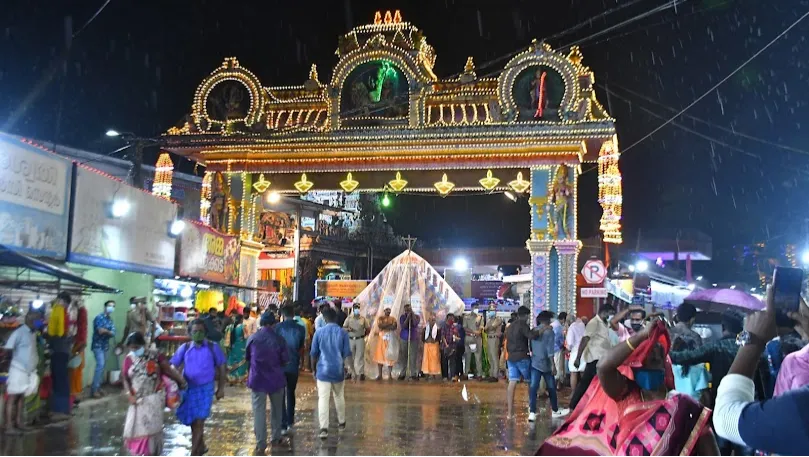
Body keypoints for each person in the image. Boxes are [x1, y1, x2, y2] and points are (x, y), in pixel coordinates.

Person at [537, 319, 720, 456]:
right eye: (647, 357)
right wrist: (640, 337)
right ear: (635, 363)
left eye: (658, 357)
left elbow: (709, 449)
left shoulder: (685, 407)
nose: (654, 360)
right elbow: (603, 367)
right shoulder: (626, 393)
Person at [713, 286, 809, 455]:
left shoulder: (801, 408)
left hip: (755, 419)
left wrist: (752, 339)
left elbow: (725, 417)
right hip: (760, 411)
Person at [121, 332, 185, 456]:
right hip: (137, 401)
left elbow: (168, 370)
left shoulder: (155, 356)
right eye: (132, 348)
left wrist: (181, 382)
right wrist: (129, 393)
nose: (134, 350)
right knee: (136, 430)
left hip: (154, 399)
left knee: (151, 431)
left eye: (136, 347)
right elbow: (125, 377)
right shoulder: (129, 359)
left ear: (143, 345)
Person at [171, 320, 226, 456]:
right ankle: (200, 446)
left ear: (206, 333)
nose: (198, 334)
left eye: (201, 331)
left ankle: (193, 453)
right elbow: (172, 366)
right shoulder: (184, 348)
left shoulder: (213, 347)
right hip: (188, 388)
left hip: (206, 389)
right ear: (189, 333)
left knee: (200, 421)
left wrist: (221, 388)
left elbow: (222, 368)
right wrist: (178, 379)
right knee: (193, 421)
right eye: (195, 331)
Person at [670, 310, 745, 405]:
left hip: (721, 399)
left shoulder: (716, 346)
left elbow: (687, 357)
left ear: (723, 327)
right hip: (747, 399)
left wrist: (661, 351)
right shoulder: (750, 349)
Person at [246, 312, 289, 454]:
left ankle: (261, 443)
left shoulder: (252, 338)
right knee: (277, 411)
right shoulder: (280, 339)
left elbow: (247, 358)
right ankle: (276, 438)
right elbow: (285, 360)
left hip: (257, 380)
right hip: (276, 379)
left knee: (259, 411)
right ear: (274, 324)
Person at [310, 307, 351, 440]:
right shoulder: (343, 333)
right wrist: (349, 368)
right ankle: (341, 422)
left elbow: (313, 354)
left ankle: (324, 428)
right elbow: (347, 353)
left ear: (325, 319)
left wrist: (313, 370)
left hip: (323, 370)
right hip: (338, 370)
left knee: (323, 398)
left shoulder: (319, 333)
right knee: (339, 396)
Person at [569, 304, 615, 411]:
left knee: (589, 383)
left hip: (603, 358)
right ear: (604, 312)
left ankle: (580, 405)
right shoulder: (594, 323)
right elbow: (585, 340)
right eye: (610, 314)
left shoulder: (605, 323)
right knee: (586, 383)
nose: (611, 316)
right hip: (595, 359)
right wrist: (578, 358)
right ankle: (574, 405)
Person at [4, 310, 43, 434]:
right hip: (18, 369)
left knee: (21, 397)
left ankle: (19, 423)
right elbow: (8, 349)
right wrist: (10, 364)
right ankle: (8, 426)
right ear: (29, 318)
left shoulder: (33, 333)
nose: (39, 321)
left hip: (27, 371)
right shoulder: (19, 332)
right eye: (38, 319)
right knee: (12, 398)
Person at [506, 306, 548, 419]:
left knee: (512, 382)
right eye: (528, 316)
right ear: (525, 316)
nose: (529, 318)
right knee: (531, 383)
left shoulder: (510, 327)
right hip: (522, 357)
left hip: (511, 358)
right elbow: (531, 336)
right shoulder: (522, 325)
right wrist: (542, 330)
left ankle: (510, 413)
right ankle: (532, 410)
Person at [529, 311, 570, 422]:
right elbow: (549, 350)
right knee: (551, 388)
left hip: (535, 363)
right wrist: (553, 366)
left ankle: (532, 412)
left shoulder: (534, 331)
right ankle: (555, 410)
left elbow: (531, 347)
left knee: (533, 388)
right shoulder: (549, 332)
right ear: (547, 320)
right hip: (546, 364)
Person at [275, 306, 306, 436]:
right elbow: (300, 346)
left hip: (280, 366)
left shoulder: (278, 328)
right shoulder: (300, 328)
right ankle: (290, 421)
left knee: (281, 394)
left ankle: (282, 423)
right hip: (293, 364)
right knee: (291, 393)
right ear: (293, 314)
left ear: (282, 314)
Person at [669, 303, 709, 401]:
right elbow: (700, 359)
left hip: (671, 380)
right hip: (692, 383)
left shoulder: (668, 332)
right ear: (692, 319)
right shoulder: (695, 337)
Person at [46, 291, 74, 420]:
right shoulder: (63, 312)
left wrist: (50, 337)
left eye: (60, 300)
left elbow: (59, 332)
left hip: (59, 350)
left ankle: (60, 410)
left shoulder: (59, 310)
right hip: (62, 350)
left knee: (59, 379)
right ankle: (63, 409)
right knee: (61, 379)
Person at [91, 301, 117, 398]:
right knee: (100, 365)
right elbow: (100, 331)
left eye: (113, 306)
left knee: (102, 367)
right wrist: (108, 331)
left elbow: (113, 332)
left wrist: (106, 331)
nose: (111, 307)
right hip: (97, 346)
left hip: (105, 346)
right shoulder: (99, 317)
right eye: (110, 305)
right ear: (105, 306)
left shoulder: (110, 320)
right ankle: (94, 390)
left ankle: (98, 387)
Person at [343, 304, 370, 381]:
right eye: (355, 308)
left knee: (360, 356)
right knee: (350, 356)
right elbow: (344, 328)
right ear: (353, 309)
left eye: (358, 308)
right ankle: (351, 372)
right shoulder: (349, 318)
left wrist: (363, 335)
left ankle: (360, 373)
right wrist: (348, 329)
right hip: (351, 339)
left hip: (360, 339)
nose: (356, 310)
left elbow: (368, 328)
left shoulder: (363, 319)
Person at [69, 300, 88, 406]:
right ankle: (74, 396)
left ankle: (74, 397)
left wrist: (77, 351)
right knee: (75, 373)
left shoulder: (81, 317)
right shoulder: (79, 318)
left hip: (78, 346)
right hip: (78, 346)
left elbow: (82, 334)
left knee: (74, 373)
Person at [373, 308, 398, 380]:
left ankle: (390, 375)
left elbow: (394, 327)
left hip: (390, 339)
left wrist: (386, 326)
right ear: (384, 311)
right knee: (380, 356)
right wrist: (389, 325)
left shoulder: (393, 318)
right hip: (382, 339)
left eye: (389, 310)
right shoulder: (380, 318)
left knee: (390, 356)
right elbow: (381, 326)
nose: (388, 312)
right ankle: (380, 375)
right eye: (386, 310)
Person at [398, 304, 421, 381]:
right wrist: (408, 317)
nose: (407, 311)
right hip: (404, 337)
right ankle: (403, 373)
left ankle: (413, 373)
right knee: (404, 356)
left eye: (409, 310)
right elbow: (404, 326)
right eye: (406, 310)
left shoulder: (417, 316)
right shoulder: (402, 317)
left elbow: (415, 323)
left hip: (413, 338)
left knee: (413, 356)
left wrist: (412, 315)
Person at [224, 314, 248, 384]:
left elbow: (226, 337)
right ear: (241, 319)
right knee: (241, 362)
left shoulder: (229, 327)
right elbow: (246, 337)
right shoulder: (243, 327)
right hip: (241, 347)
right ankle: (240, 378)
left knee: (233, 361)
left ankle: (232, 377)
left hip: (232, 347)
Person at [565, 313, 586, 393]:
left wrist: (568, 349)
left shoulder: (572, 327)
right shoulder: (582, 325)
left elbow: (570, 343)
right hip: (584, 351)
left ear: (568, 321)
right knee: (583, 372)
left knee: (573, 372)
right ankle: (584, 393)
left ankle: (573, 393)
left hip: (575, 351)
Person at [463, 306, 484, 381]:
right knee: (467, 357)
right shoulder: (466, 317)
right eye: (475, 307)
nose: (476, 309)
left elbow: (481, 327)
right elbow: (465, 327)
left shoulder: (480, 317)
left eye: (477, 308)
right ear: (472, 308)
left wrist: (478, 332)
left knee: (478, 357)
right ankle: (466, 374)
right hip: (468, 338)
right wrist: (473, 332)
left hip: (477, 339)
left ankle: (479, 374)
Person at [484, 305, 503, 382]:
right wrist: (488, 328)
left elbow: (491, 327)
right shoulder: (489, 320)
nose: (491, 312)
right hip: (489, 338)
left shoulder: (498, 319)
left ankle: (495, 375)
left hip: (495, 339)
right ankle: (491, 374)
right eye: (490, 310)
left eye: (492, 310)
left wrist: (488, 328)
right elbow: (485, 330)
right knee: (490, 357)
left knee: (495, 357)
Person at [441, 314, 462, 382]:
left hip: (453, 346)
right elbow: (443, 336)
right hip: (445, 346)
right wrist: (446, 345)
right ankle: (445, 376)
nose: (452, 320)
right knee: (444, 362)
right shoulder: (444, 326)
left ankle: (452, 376)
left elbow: (458, 337)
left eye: (453, 319)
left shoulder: (454, 327)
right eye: (450, 318)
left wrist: (456, 338)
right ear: (447, 319)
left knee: (453, 362)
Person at [422, 314, 442, 380]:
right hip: (427, 346)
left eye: (433, 320)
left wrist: (434, 340)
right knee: (426, 360)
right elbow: (423, 338)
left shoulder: (438, 329)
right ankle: (427, 374)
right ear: (428, 320)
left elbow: (439, 338)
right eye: (431, 320)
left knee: (434, 360)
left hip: (434, 346)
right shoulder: (425, 328)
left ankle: (434, 374)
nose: (432, 321)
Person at [552, 312, 567, 389]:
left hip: (553, 349)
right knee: (558, 366)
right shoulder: (558, 326)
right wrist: (561, 346)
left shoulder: (554, 324)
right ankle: (556, 385)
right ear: (564, 319)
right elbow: (556, 339)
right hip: (557, 349)